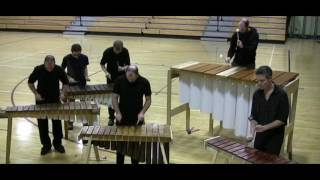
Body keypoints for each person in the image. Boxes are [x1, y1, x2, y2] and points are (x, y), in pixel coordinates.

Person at [28, 55, 69, 155]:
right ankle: (46, 145)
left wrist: (63, 93)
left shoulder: (58, 69)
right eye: (48, 66)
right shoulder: (38, 69)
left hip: (55, 100)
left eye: (52, 66)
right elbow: (30, 82)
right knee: (42, 124)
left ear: (54, 63)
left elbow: (66, 83)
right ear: (44, 63)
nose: (50, 68)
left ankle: (58, 144)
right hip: (41, 101)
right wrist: (36, 94)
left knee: (57, 124)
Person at [112, 65, 152, 164]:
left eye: (132, 77)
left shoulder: (144, 82)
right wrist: (117, 112)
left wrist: (142, 112)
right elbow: (114, 98)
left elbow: (148, 100)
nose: (129, 79)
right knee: (120, 146)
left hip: (137, 118)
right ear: (126, 73)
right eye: (128, 76)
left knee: (135, 146)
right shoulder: (119, 80)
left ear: (137, 74)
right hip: (122, 117)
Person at [249, 66, 290, 155]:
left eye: (262, 81)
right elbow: (253, 116)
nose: (259, 83)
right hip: (260, 134)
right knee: (257, 158)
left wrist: (265, 127)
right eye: (257, 80)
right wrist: (252, 131)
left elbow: (282, 119)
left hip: (275, 136)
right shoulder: (257, 94)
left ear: (270, 79)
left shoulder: (281, 95)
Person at [100, 40, 130, 126]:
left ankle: (121, 116)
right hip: (111, 78)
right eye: (117, 50)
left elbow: (128, 65)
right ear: (113, 47)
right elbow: (102, 64)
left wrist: (123, 68)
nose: (118, 52)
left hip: (123, 78)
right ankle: (111, 118)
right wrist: (106, 73)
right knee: (111, 98)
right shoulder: (107, 52)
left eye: (119, 50)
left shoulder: (125, 51)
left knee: (123, 97)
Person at [61, 43, 90, 130]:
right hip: (71, 83)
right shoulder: (67, 58)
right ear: (72, 52)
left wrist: (86, 76)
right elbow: (62, 70)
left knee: (83, 103)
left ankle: (84, 120)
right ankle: (70, 122)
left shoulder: (84, 57)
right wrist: (69, 78)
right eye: (75, 54)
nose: (77, 55)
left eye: (78, 53)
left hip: (82, 82)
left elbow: (85, 68)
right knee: (71, 103)